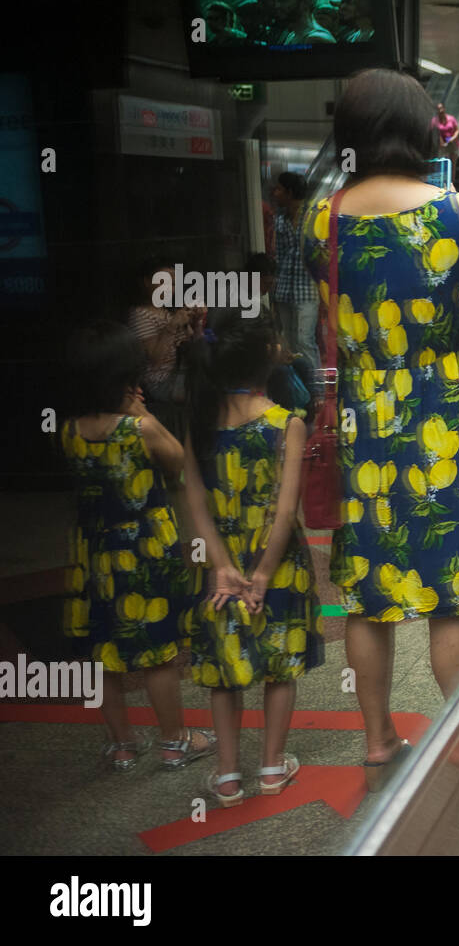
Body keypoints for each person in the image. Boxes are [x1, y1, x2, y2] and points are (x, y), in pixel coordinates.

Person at [303, 68, 459, 791]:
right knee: (449, 600)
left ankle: (377, 739)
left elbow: (330, 322)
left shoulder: (324, 218)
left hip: (366, 428)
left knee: (368, 599)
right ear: (423, 131)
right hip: (444, 422)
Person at [180, 307, 325, 807]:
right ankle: (269, 769)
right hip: (277, 567)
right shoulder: (287, 424)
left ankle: (225, 777)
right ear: (268, 356)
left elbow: (194, 501)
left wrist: (222, 565)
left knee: (224, 671)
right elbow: (286, 513)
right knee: (279, 666)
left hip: (220, 573)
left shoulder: (197, 423)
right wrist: (262, 574)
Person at [60, 321, 217, 773]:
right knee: (158, 652)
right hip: (145, 553)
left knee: (100, 653)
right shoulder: (137, 429)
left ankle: (122, 745)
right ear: (122, 376)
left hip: (93, 555)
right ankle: (174, 741)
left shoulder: (68, 430)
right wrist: (141, 413)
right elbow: (180, 463)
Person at [126, 260, 203, 439]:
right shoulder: (140, 315)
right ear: (146, 282)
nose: (169, 288)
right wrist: (172, 326)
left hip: (183, 375)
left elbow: (194, 347)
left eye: (173, 283)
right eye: (163, 281)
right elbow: (156, 358)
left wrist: (196, 322)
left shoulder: (168, 312)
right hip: (163, 383)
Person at [271, 172, 320, 374]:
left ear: (290, 192)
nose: (275, 193)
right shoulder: (279, 220)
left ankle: (316, 388)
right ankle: (297, 387)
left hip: (307, 289)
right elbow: (279, 256)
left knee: (304, 340)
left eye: (280, 189)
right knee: (289, 341)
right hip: (284, 289)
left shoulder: (313, 217)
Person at [434, 102, 459, 172]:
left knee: (452, 164)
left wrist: (452, 139)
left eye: (441, 108)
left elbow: (457, 130)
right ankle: (445, 180)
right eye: (438, 109)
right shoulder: (435, 121)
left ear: (444, 109)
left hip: (453, 144)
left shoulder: (451, 119)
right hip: (443, 145)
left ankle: (452, 182)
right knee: (444, 164)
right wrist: (440, 141)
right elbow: (434, 132)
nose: (440, 111)